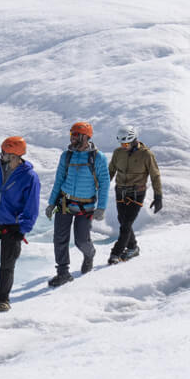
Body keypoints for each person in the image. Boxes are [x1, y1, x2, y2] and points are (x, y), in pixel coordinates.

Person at [0, 136, 41, 312]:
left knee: (7, 263)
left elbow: (32, 207)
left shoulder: (29, 177)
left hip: (13, 226)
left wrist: (22, 229)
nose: (1, 154)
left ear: (14, 155)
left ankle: (3, 299)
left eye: (4, 152)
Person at [46, 121, 110, 288]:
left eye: (76, 135)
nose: (72, 138)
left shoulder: (98, 157)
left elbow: (104, 183)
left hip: (86, 207)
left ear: (85, 137)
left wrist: (101, 207)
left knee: (82, 241)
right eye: (71, 135)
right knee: (60, 239)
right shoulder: (66, 156)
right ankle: (63, 273)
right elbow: (59, 180)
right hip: (65, 204)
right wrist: (51, 203)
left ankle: (89, 255)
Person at [108, 128, 163, 263]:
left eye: (126, 144)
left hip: (137, 192)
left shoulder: (146, 154)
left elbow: (155, 175)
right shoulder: (118, 153)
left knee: (126, 224)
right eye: (121, 144)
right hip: (120, 190)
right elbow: (110, 171)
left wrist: (158, 196)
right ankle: (133, 247)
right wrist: (98, 188)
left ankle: (116, 253)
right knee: (122, 220)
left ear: (134, 140)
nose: (123, 147)